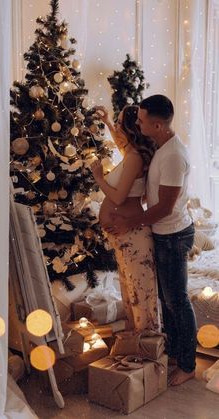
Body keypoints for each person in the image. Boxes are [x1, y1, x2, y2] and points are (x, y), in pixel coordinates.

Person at [105, 95, 197, 386]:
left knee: (177, 301)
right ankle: (172, 353)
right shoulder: (160, 145)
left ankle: (187, 363)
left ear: (156, 125)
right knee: (168, 301)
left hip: (173, 236)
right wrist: (109, 123)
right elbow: (127, 147)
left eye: (142, 120)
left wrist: (130, 222)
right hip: (163, 234)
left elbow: (164, 208)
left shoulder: (172, 156)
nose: (137, 123)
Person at [91, 105, 160, 333]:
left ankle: (149, 349)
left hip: (133, 235)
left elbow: (119, 198)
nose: (118, 127)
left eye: (121, 122)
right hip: (124, 236)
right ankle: (137, 347)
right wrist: (108, 123)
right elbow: (123, 145)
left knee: (142, 296)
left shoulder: (134, 158)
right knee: (130, 294)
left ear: (130, 128)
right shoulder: (131, 154)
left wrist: (99, 178)